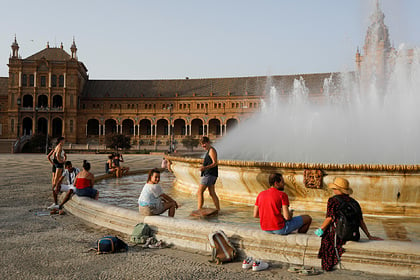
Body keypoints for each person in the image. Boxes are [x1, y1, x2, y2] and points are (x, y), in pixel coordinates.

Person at [316, 177, 383, 271]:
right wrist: (369, 235)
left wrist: (321, 229)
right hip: (353, 234)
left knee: (326, 239)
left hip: (338, 235)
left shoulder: (333, 200)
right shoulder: (354, 202)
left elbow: (330, 218)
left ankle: (328, 264)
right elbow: (360, 221)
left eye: (334, 188)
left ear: (336, 189)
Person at [197, 136, 220, 211]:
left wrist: (205, 168)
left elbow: (215, 163)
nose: (203, 145)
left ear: (208, 142)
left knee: (199, 192)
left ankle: (199, 209)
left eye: (204, 143)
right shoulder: (209, 151)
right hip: (212, 174)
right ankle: (218, 209)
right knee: (212, 193)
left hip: (209, 174)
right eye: (202, 144)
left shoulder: (211, 150)